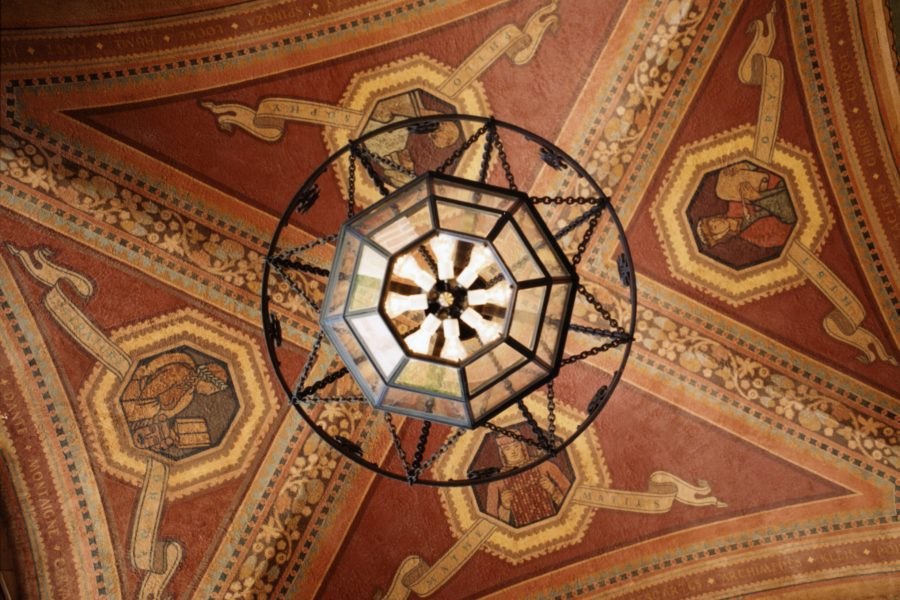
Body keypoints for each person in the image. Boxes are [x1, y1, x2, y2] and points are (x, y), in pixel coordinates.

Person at [696, 161, 796, 249]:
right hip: (792, 198)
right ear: (719, 236)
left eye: (713, 220)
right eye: (714, 227)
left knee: (721, 190)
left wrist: (744, 166)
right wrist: (758, 198)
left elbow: (760, 165)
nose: (717, 222)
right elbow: (791, 219)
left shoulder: (733, 202)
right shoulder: (757, 238)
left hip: (785, 175)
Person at [484, 435, 571, 527]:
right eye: (507, 449)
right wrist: (505, 507)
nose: (513, 452)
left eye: (516, 446)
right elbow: (490, 524)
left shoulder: (544, 465)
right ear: (502, 453)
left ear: (522, 446)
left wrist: (553, 491)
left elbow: (573, 497)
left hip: (556, 525)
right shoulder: (496, 482)